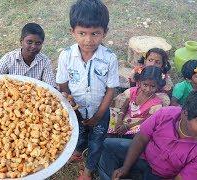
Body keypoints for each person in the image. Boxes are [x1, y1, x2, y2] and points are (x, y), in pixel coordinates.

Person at [56, 0, 119, 179]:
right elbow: (62, 83)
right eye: (82, 33)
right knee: (77, 133)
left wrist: (99, 115)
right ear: (72, 32)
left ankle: (89, 170)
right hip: (75, 110)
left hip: (99, 111)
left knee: (97, 141)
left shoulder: (109, 58)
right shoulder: (66, 56)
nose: (88, 40)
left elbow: (110, 89)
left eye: (95, 33)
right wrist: (69, 100)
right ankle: (77, 151)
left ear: (104, 33)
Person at [98, 89, 197, 180]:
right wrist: (125, 168)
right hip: (143, 157)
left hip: (163, 176)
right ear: (185, 114)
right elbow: (141, 138)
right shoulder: (166, 114)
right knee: (108, 145)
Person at [107, 66, 168, 139]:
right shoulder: (133, 92)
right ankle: (113, 134)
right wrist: (119, 120)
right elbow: (124, 107)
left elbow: (147, 120)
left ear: (158, 86)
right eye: (145, 85)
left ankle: (124, 138)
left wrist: (128, 127)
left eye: (153, 86)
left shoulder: (156, 104)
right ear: (139, 82)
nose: (148, 89)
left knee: (142, 130)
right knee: (109, 113)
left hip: (138, 124)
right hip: (125, 117)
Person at [0, 22, 56, 88]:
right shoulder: (7, 60)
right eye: (29, 42)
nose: (33, 46)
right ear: (21, 41)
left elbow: (50, 87)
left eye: (38, 43)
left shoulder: (44, 61)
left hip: (35, 96)